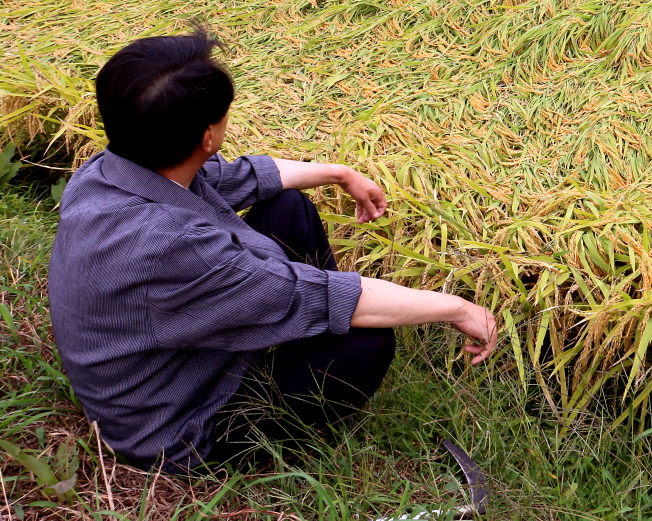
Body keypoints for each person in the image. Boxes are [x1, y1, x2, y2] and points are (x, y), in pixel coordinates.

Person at [48, 30, 497, 473]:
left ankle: (300, 341)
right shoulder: (172, 246)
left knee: (287, 207)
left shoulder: (110, 171)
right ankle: (273, 444)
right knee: (364, 344)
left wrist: (339, 174)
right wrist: (456, 307)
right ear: (207, 136)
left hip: (169, 355)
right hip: (180, 427)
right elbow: (324, 294)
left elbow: (238, 178)